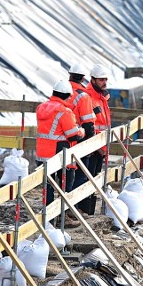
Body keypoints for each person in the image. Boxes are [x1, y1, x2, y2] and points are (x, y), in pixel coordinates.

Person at [36, 79, 85, 225]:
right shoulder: (64, 111)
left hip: (42, 154)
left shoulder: (41, 108)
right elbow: (73, 135)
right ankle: (64, 218)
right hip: (59, 155)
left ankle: (48, 219)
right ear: (67, 96)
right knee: (66, 185)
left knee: (47, 187)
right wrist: (81, 131)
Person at [80, 63, 111, 215]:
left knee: (95, 180)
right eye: (101, 80)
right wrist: (97, 145)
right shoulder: (89, 98)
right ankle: (86, 211)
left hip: (100, 146)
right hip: (92, 146)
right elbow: (89, 125)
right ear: (92, 80)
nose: (104, 83)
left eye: (105, 79)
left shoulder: (101, 98)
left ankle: (90, 212)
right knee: (88, 179)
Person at [66, 62, 96, 198]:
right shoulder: (83, 96)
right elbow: (88, 124)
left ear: (70, 75)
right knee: (80, 174)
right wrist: (90, 145)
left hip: (62, 139)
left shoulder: (62, 91)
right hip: (80, 138)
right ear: (83, 78)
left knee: (65, 174)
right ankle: (73, 206)